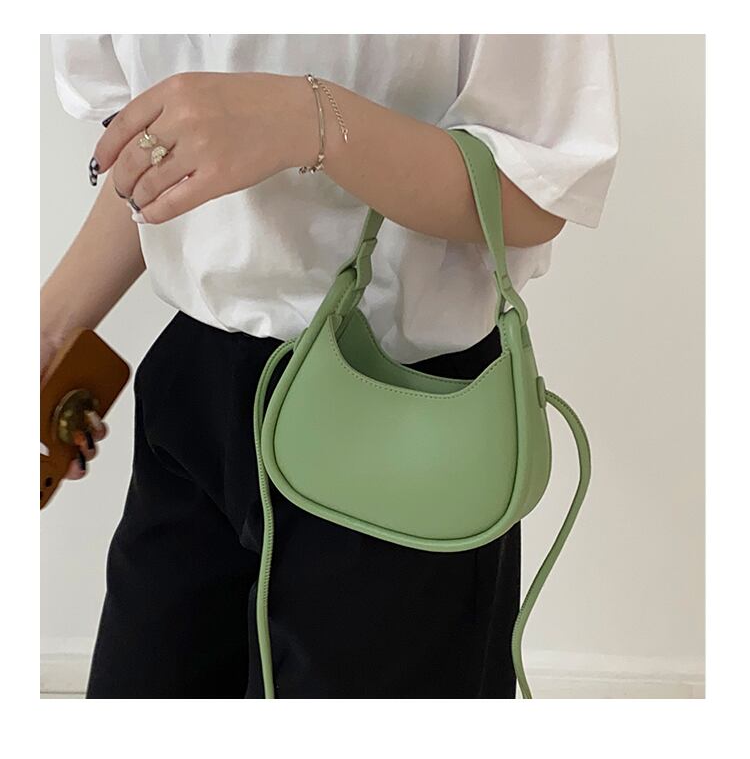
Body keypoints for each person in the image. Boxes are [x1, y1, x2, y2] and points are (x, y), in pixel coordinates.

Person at [42, 34, 619, 698]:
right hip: (194, 392)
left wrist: (308, 120)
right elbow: (154, 152)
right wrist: (50, 329)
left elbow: (537, 189)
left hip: (403, 420)